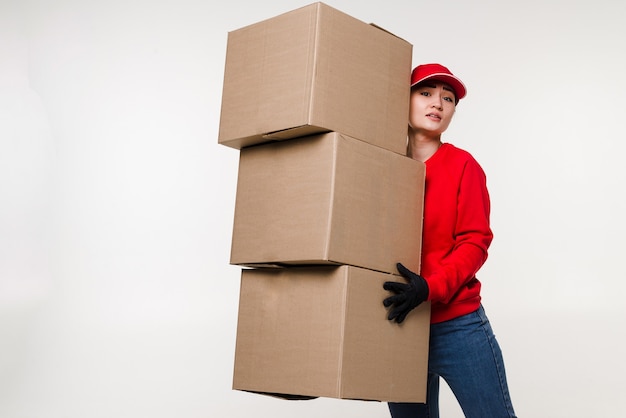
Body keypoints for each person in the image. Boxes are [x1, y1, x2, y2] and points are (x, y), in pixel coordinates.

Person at [382, 63, 517, 418]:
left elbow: (474, 242)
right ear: (404, 99)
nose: (438, 103)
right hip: (401, 320)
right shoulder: (381, 165)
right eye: (425, 93)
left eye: (448, 98)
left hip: (458, 325)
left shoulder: (463, 166)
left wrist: (430, 287)